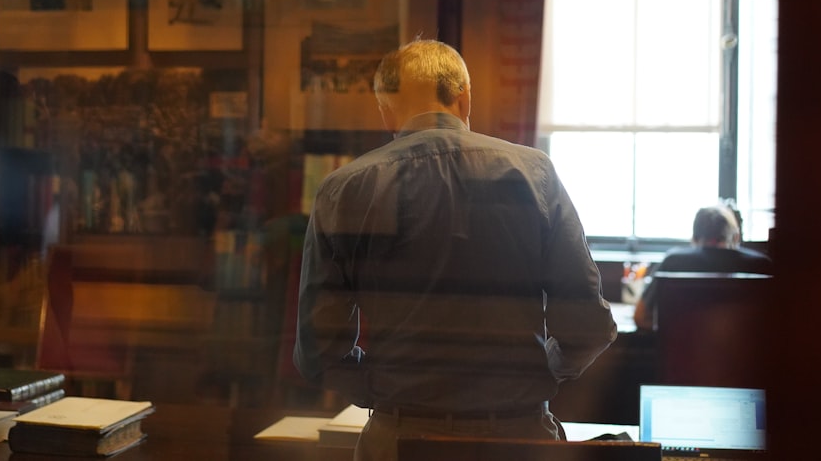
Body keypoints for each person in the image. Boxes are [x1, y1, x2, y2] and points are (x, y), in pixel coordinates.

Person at [294, 39, 617, 461]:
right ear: (463, 99)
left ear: (386, 110)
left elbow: (318, 350)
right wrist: (539, 372)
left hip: (398, 437)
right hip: (517, 437)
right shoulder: (534, 174)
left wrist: (381, 387)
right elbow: (588, 325)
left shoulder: (343, 190)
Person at [632, 204, 773, 331]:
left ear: (693, 238)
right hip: (745, 357)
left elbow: (640, 316)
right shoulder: (761, 265)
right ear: (735, 238)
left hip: (683, 356)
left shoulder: (673, 261)